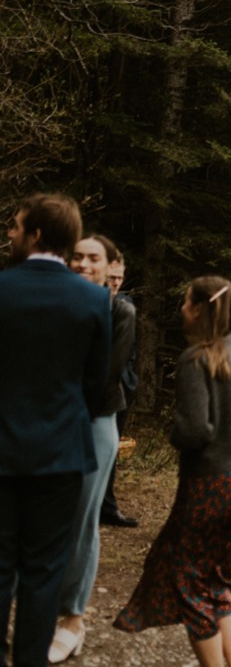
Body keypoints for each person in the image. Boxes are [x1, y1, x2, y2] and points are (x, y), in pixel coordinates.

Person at [113, 275, 231, 667]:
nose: (180, 309)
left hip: (209, 484)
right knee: (216, 580)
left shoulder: (196, 359)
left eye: (185, 303)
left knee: (191, 584)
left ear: (199, 309)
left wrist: (176, 430)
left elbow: (194, 431)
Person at [0, 194, 111, 667]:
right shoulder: (92, 298)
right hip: (61, 454)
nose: (10, 233)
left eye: (15, 225)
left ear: (36, 234)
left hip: (0, 451)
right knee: (45, 572)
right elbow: (97, 383)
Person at [48, 235, 137, 663]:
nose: (84, 263)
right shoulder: (55, 303)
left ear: (110, 267)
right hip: (51, 423)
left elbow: (104, 376)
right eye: (77, 256)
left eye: (94, 258)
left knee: (82, 520)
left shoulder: (119, 310)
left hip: (95, 421)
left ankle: (72, 619)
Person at [99, 251, 139, 529]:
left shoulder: (126, 304)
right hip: (89, 389)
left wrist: (127, 379)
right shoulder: (86, 303)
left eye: (119, 278)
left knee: (111, 448)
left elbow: (130, 349)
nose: (114, 282)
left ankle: (107, 506)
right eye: (110, 277)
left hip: (120, 388)